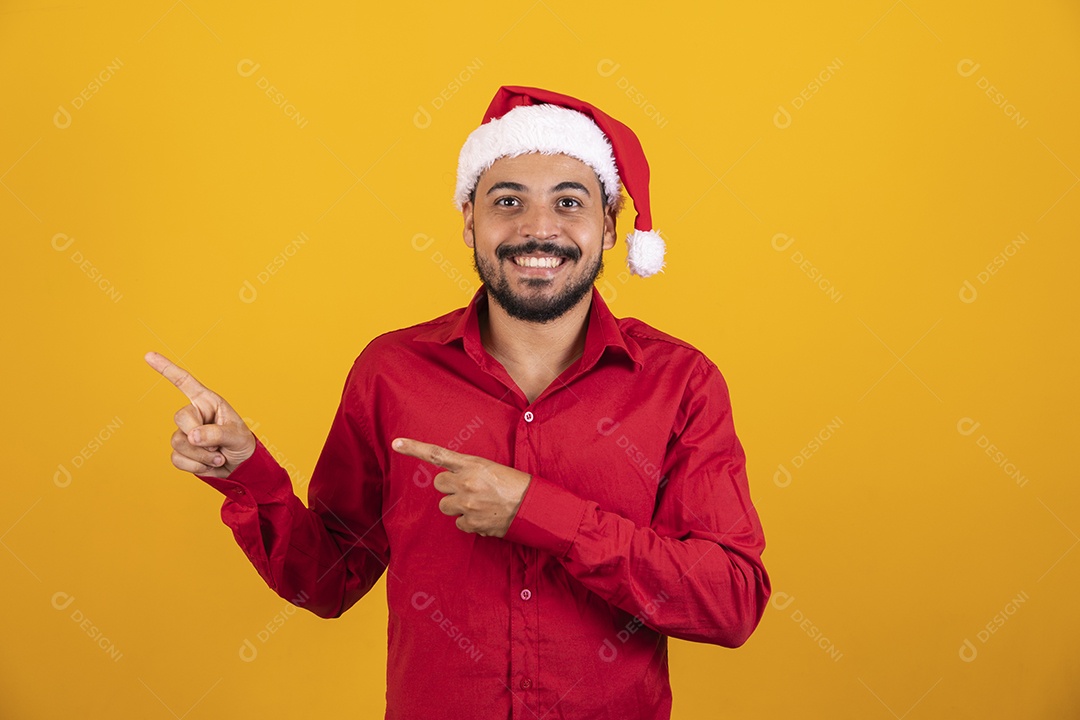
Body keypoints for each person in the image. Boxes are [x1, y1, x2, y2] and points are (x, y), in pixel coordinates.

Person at [146, 85, 770, 720]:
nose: (538, 228)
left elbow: (731, 601)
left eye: (568, 202)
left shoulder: (680, 382)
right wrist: (247, 474)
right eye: (508, 201)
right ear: (469, 219)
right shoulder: (392, 373)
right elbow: (328, 580)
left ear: (609, 225)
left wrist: (539, 512)